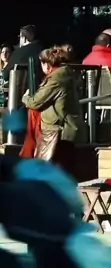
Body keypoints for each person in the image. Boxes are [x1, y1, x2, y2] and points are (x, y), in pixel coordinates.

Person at [21, 46, 84, 175]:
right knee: (62, 167)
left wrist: (25, 97)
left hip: (56, 130)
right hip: (66, 128)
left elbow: (35, 102)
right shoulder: (64, 75)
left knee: (48, 169)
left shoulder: (56, 80)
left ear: (47, 64)